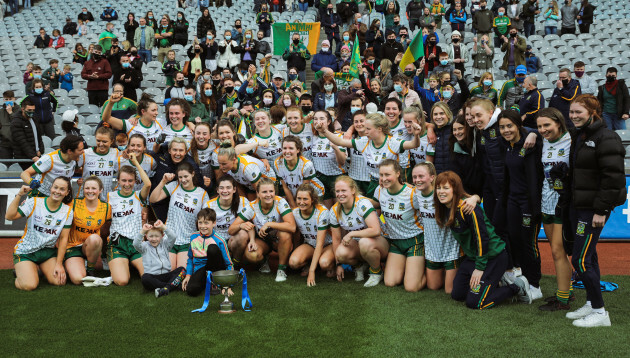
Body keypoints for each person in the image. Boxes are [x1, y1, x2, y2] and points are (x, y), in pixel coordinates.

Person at [565, 94, 626, 327]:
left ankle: (601, 313)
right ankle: (592, 302)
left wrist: (601, 209)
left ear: (593, 112)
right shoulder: (580, 135)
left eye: (578, 112)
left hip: (593, 209)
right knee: (589, 256)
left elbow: (613, 180)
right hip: (579, 205)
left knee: (580, 260)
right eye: (571, 112)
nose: (573, 116)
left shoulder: (606, 137)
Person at [434, 171, 531, 309]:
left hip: (493, 257)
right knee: (458, 295)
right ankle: (497, 281)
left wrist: (479, 268)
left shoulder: (468, 209)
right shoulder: (445, 209)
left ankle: (517, 286)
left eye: (446, 188)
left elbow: (482, 239)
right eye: (438, 188)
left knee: (475, 302)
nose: (441, 192)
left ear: (455, 190)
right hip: (473, 258)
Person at [497, 109, 544, 303]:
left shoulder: (531, 143)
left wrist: (534, 132)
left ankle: (535, 285)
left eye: (509, 126)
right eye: (502, 127)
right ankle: (524, 279)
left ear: (518, 125)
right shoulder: (507, 145)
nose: (506, 130)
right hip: (512, 201)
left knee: (529, 243)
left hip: (528, 203)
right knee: (515, 240)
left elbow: (549, 132)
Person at [535, 107, 573, 311]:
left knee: (559, 250)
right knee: (555, 249)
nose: (543, 130)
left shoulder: (571, 140)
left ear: (558, 122)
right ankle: (567, 290)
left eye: (547, 125)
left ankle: (563, 299)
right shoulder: (543, 140)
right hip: (546, 197)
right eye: (539, 126)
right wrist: (533, 133)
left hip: (563, 200)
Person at [6, 178, 74, 291]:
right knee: (29, 285)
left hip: (47, 252)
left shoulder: (67, 211)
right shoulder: (35, 202)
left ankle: (37, 270)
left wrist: (59, 264)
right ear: (51, 188)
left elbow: (63, 239)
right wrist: (19, 195)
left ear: (67, 192)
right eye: (55, 187)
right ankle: (21, 274)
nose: (57, 191)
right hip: (26, 251)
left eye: (62, 189)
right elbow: (9, 216)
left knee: (59, 282)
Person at [228, 177, 296, 281]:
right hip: (262, 240)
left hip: (279, 240)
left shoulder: (280, 202)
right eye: (264, 192)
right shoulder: (252, 207)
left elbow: (292, 227)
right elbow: (231, 230)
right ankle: (264, 260)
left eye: (271, 191)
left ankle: (281, 269)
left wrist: (270, 224)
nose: (268, 195)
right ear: (258, 193)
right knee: (252, 255)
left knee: (285, 234)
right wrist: (241, 225)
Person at [373, 160, 426, 292]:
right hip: (395, 242)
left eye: (387, 174)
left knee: (411, 287)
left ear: (398, 173)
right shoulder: (379, 190)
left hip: (415, 241)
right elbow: (372, 205)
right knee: (390, 282)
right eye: (381, 175)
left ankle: (426, 271)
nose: (384, 179)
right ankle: (410, 269)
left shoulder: (413, 193)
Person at [329, 176, 386, 286]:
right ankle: (359, 266)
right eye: (337, 191)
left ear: (353, 190)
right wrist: (338, 264)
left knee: (364, 242)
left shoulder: (362, 203)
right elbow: (336, 239)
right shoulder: (334, 210)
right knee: (340, 253)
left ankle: (376, 272)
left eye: (343, 190)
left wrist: (352, 233)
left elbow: (376, 230)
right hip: (359, 244)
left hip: (380, 242)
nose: (340, 194)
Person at [107, 154, 152, 286]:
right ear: (119, 181)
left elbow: (148, 184)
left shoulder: (138, 196)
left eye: (130, 181)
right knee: (122, 281)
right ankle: (122, 263)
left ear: (135, 181)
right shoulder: (110, 196)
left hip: (136, 243)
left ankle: (130, 263)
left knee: (149, 276)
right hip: (118, 244)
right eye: (124, 180)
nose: (127, 184)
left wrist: (136, 163)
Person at [64, 176, 109, 284]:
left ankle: (90, 269)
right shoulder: (73, 203)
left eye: (94, 188)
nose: (90, 191)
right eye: (87, 188)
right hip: (73, 247)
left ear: (100, 190)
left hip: (90, 246)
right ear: (83, 189)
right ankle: (66, 264)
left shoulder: (107, 207)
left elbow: (106, 232)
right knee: (78, 279)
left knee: (95, 239)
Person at [182, 208, 234, 297]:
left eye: (206, 223)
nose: (203, 226)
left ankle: (216, 282)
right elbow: (190, 258)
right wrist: (188, 275)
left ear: (214, 223)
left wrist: (227, 285)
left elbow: (229, 264)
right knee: (191, 291)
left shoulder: (219, 240)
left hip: (216, 268)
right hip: (201, 269)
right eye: (200, 222)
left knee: (212, 248)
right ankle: (207, 281)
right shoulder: (193, 237)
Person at [134, 220, 185, 297]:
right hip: (153, 276)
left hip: (167, 274)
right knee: (145, 278)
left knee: (182, 269)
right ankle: (172, 286)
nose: (154, 239)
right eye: (151, 236)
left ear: (162, 236)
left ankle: (166, 288)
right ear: (146, 236)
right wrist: (143, 231)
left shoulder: (165, 244)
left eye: (157, 236)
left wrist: (163, 227)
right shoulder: (144, 246)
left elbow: (173, 237)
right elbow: (136, 244)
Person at [77, 127, 119, 200]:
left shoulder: (116, 153)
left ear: (112, 141)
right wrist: (82, 178)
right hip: (87, 196)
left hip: (106, 197)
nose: (101, 144)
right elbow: (73, 169)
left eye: (105, 141)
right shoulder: (85, 153)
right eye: (98, 140)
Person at [10, 98, 44, 169]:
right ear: (22, 109)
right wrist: (33, 156)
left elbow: (38, 137)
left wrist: (40, 150)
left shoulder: (34, 119)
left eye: (33, 110)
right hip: (24, 158)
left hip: (36, 156)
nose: (31, 112)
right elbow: (22, 142)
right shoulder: (16, 122)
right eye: (29, 110)